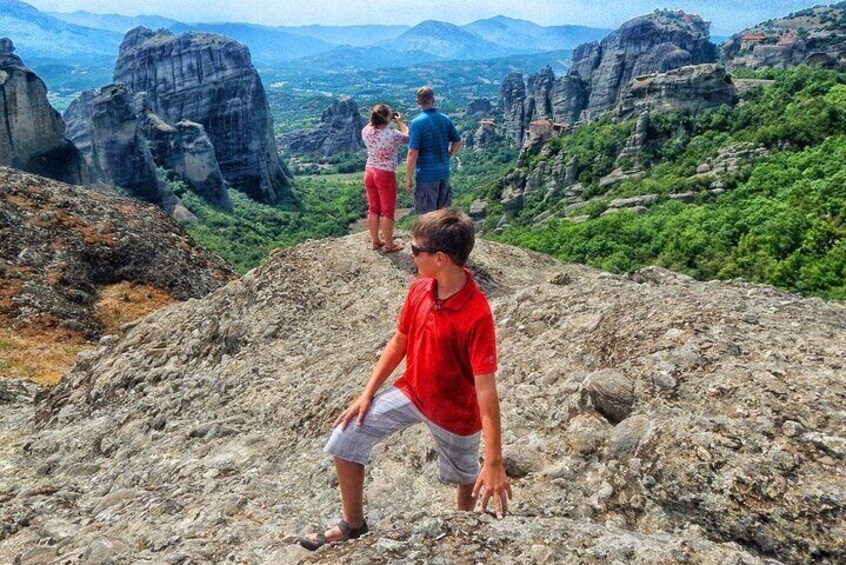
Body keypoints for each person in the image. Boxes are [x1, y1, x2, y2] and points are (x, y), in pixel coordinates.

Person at [297, 208, 511, 551]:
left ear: (439, 258)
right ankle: (353, 525)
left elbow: (485, 390)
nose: (410, 255)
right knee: (345, 438)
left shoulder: (476, 314)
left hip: (457, 413)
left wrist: (494, 461)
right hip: (413, 392)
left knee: (465, 478)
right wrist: (367, 393)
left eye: (415, 250)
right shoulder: (420, 289)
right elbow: (400, 342)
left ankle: (463, 531)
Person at [406, 86, 462, 214]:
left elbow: (413, 152)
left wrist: (408, 177)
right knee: (443, 216)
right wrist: (448, 156)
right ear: (433, 99)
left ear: (418, 101)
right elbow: (458, 142)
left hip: (426, 177)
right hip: (444, 174)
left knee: (428, 217)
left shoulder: (416, 123)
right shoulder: (445, 119)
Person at [361, 104, 408, 252]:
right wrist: (400, 122)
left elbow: (373, 124)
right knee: (387, 211)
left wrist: (382, 118)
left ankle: (375, 241)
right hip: (385, 174)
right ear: (387, 118)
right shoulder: (392, 134)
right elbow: (408, 137)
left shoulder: (366, 130)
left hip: (369, 171)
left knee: (373, 208)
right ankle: (389, 244)